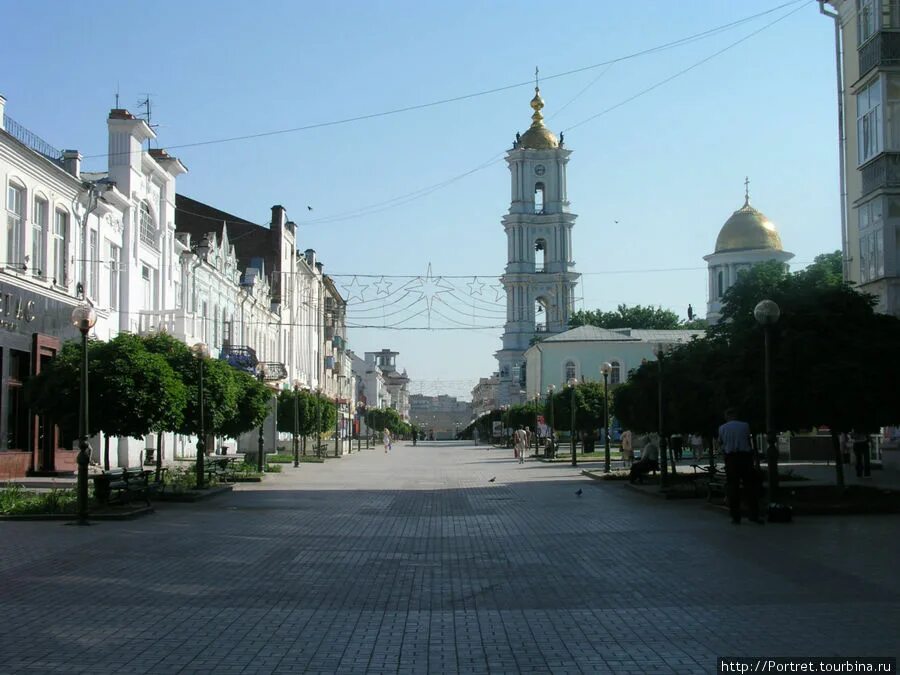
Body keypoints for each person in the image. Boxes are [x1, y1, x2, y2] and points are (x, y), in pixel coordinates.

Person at [717, 409, 761, 524]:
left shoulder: (722, 428)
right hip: (745, 458)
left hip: (731, 458)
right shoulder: (745, 426)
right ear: (736, 415)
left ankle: (735, 516)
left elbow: (720, 442)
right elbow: (747, 439)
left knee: (733, 487)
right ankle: (753, 514)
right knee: (750, 486)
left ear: (726, 416)